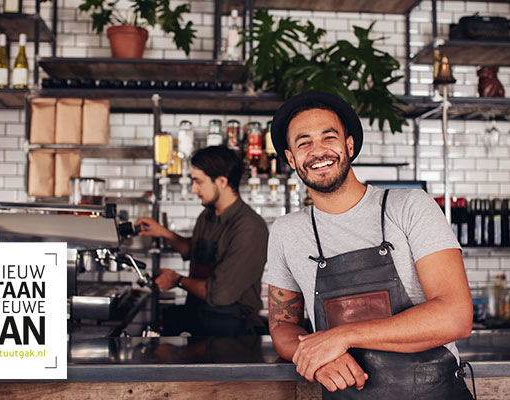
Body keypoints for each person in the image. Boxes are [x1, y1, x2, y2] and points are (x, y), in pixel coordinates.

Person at [265, 91, 474, 399]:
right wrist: (316, 356)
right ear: (291, 158)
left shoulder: (409, 207)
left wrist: (341, 337)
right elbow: (283, 326)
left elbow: (456, 316)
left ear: (349, 145)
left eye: (328, 137)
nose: (318, 151)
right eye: (304, 142)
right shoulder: (286, 231)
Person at [136, 146, 268, 337]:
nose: (193, 189)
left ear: (222, 181)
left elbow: (220, 293)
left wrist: (177, 280)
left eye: (198, 181)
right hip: (201, 319)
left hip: (233, 330)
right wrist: (163, 233)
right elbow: (194, 251)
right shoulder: (207, 215)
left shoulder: (249, 227)